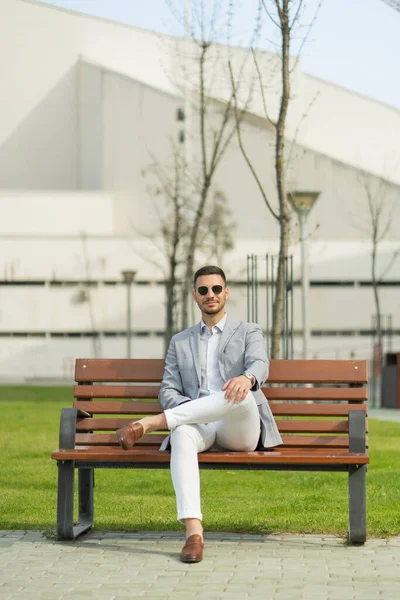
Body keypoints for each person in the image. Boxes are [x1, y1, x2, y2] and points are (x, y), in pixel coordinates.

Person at [116, 265, 282, 563]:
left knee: (237, 395)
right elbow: (167, 390)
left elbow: (260, 364)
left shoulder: (248, 331)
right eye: (203, 290)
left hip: (239, 426)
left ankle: (151, 424)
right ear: (195, 296)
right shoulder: (181, 341)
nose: (210, 295)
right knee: (181, 433)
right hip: (199, 424)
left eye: (216, 289)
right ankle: (194, 534)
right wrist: (186, 410)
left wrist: (247, 379)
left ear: (226, 292)